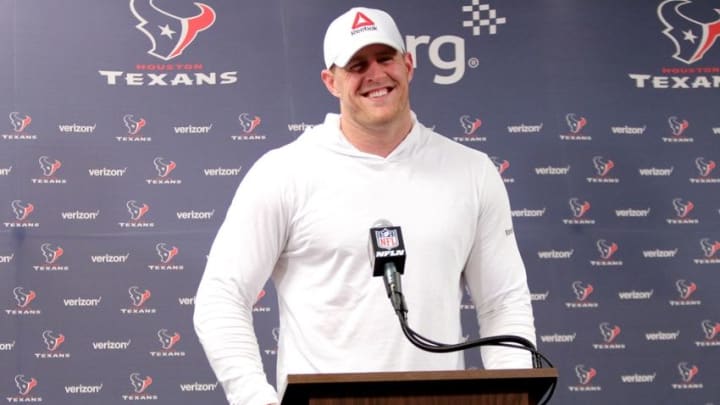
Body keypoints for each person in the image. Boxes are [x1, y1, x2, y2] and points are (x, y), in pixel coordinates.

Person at [193, 6, 536, 405]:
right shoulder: (284, 172)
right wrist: (255, 398)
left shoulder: (472, 172)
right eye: (356, 64)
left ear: (408, 64)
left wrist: (516, 395)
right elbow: (221, 297)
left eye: (385, 58)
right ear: (331, 81)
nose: (375, 74)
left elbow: (503, 302)